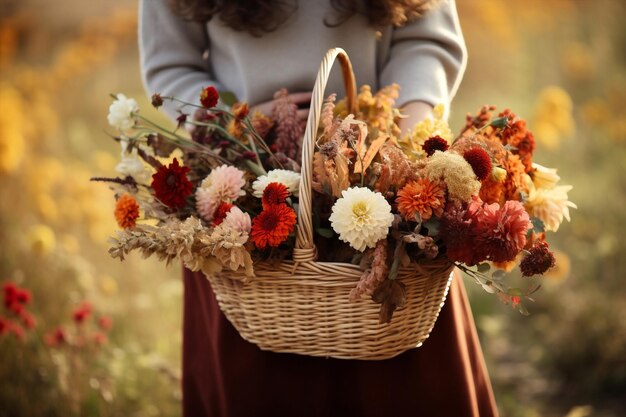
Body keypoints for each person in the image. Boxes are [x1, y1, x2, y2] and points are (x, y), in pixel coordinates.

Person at [139, 1, 499, 416]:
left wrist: (401, 144)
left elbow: (426, 39)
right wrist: (243, 123)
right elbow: (171, 64)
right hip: (239, 189)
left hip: (381, 178)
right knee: (260, 386)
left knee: (398, 385)